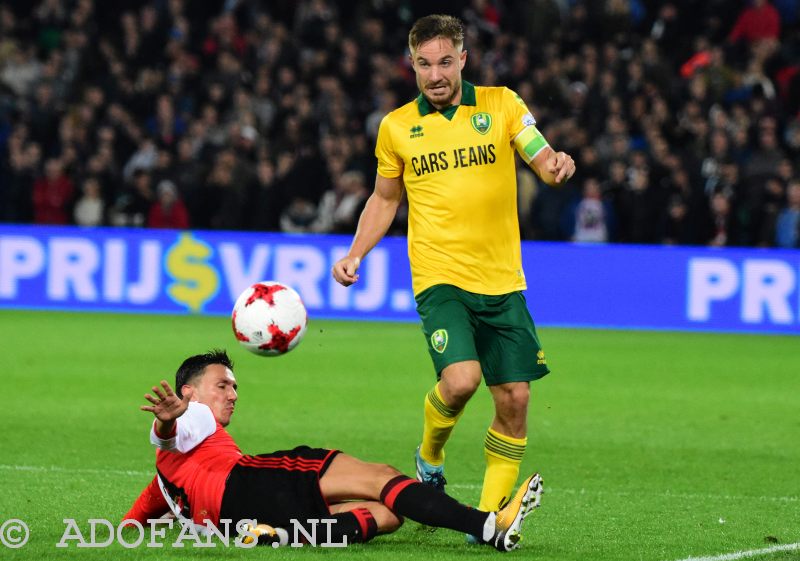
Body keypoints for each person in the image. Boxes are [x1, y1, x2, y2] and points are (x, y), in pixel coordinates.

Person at [331, 14, 575, 528]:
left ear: (463, 59)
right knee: (461, 380)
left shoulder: (502, 104)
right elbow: (383, 198)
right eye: (424, 64)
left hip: (503, 281)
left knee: (515, 397)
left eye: (445, 62)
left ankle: (487, 520)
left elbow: (539, 151)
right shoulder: (397, 127)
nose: (435, 74)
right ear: (412, 65)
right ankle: (430, 457)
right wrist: (356, 253)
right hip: (439, 278)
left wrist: (554, 165)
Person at [124, 350, 542, 551]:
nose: (233, 394)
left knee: (388, 514)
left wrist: (130, 528)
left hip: (240, 519)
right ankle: (489, 525)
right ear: (188, 391)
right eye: (223, 385)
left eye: (235, 386)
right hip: (247, 482)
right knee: (380, 476)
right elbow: (168, 432)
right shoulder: (194, 417)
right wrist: (167, 419)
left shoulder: (171, 475)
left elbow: (145, 505)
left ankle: (285, 536)